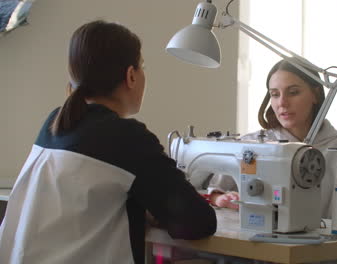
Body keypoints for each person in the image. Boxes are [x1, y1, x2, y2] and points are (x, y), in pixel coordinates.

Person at [0, 20, 216, 264]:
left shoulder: (55, 124)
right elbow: (198, 222)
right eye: (142, 66)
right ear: (131, 75)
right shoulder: (128, 138)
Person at [208, 59, 337, 219]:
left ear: (316, 94)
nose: (282, 103)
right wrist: (223, 199)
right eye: (275, 94)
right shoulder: (251, 144)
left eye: (293, 92)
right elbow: (215, 191)